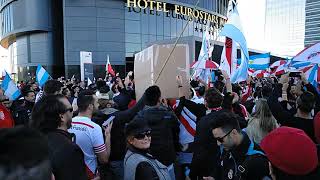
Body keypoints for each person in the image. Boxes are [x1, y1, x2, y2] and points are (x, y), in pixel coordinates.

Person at [30, 94, 87, 179]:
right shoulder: (69, 149)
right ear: (62, 117)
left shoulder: (32, 141)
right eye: (70, 109)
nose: (73, 112)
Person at [206, 112, 270, 180]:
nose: (218, 143)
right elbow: (221, 170)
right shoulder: (227, 147)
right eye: (216, 139)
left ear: (234, 133)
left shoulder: (256, 161)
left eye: (220, 139)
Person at [135, 85, 180, 179]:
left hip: (148, 160)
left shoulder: (139, 116)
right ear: (159, 99)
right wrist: (167, 108)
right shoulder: (167, 114)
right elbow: (177, 126)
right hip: (167, 158)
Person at [68, 90, 112, 179]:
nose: (98, 105)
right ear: (90, 107)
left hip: (71, 172)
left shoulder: (68, 123)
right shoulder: (93, 128)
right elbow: (104, 159)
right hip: (89, 174)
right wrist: (107, 135)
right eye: (96, 103)